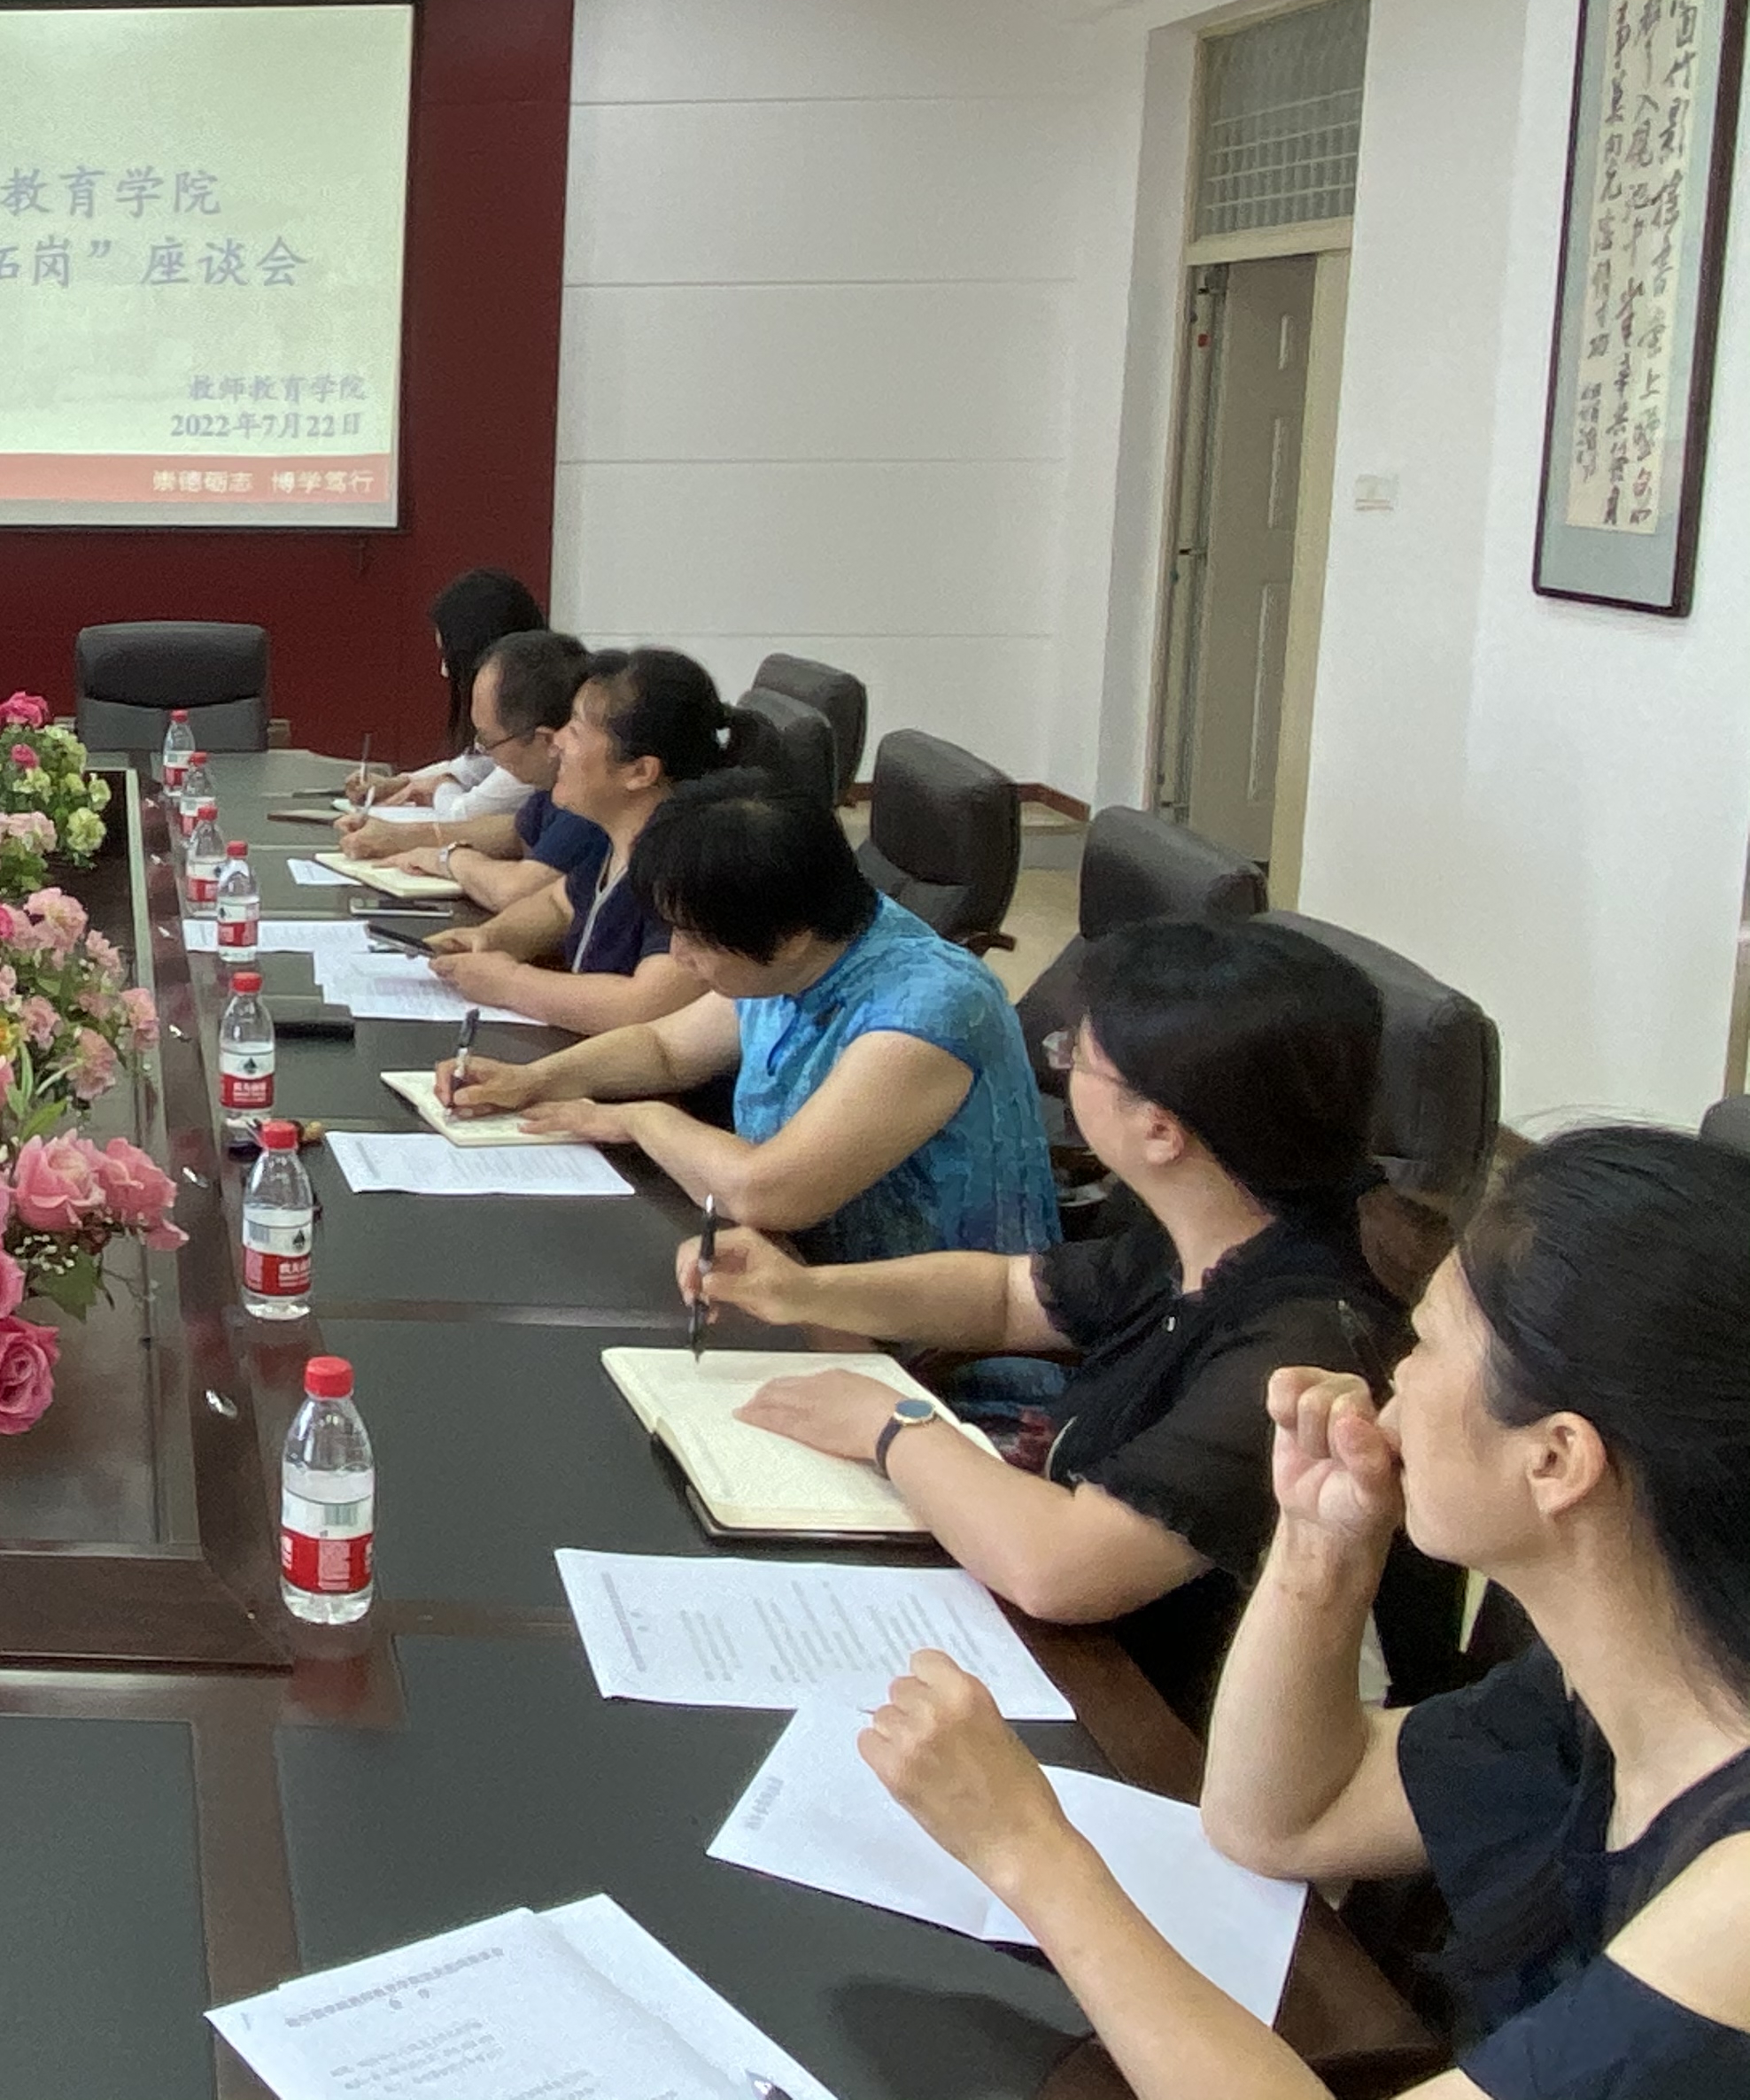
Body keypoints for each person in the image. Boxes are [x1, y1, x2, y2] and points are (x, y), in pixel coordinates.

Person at [858, 1126, 1750, 2099]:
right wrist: (1322, 1543)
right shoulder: (1615, 1688)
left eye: (1428, 1343)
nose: (1393, 1380)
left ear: (1555, 1459)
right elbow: (1281, 1819)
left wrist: (1030, 1854)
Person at [682, 918, 1402, 1721]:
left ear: (1160, 1130)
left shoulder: (1297, 1344)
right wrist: (802, 1290)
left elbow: (1064, 1568)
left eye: (1076, 1059)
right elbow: (1005, 1295)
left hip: (1169, 1716)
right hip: (1089, 1645)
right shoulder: (1225, 1224)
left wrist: (892, 1424)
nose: (1061, 1068)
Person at [443, 767, 1057, 1274]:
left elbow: (766, 1192)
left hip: (916, 1343)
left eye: (693, 937)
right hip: (786, 1275)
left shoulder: (928, 1009)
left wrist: (640, 1119)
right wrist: (537, 1079)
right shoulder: (800, 945)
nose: (678, 955)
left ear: (789, 938)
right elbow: (665, 1049)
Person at [420, 646, 728, 1039]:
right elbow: (558, 904)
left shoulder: (691, 868)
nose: (558, 741)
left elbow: (643, 1004)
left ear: (640, 771)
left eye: (577, 731)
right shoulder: (615, 838)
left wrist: (509, 982)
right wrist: (491, 939)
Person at [332, 631, 604, 916]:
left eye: (488, 742)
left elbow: (517, 891)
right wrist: (402, 836)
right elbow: (517, 832)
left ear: (546, 741)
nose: (485, 754)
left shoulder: (590, 797)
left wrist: (449, 859)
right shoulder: (551, 790)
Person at [344, 568, 546, 822]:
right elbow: (476, 765)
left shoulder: (539, 733)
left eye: (450, 658)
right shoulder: (527, 707)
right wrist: (403, 782)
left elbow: (465, 813)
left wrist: (439, 786)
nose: (444, 671)